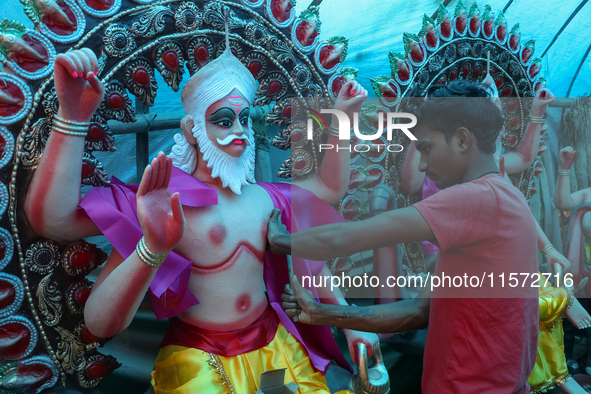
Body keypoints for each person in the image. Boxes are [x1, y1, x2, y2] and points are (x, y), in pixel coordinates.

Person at [23, 26, 380, 394]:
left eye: (244, 120)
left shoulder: (264, 197)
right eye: (224, 120)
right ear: (191, 129)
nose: (239, 130)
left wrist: (354, 323)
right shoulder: (163, 200)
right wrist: (74, 117)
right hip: (200, 356)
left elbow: (328, 191)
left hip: (276, 345)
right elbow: (56, 223)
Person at [267, 80, 542, 393]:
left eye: (426, 148)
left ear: (462, 140)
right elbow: (416, 312)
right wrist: (320, 313)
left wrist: (282, 241)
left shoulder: (474, 198)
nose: (423, 165)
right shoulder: (509, 196)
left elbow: (345, 238)